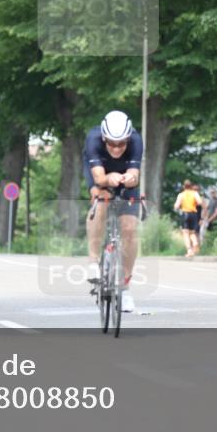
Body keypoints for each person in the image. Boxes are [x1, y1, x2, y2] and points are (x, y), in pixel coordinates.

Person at [83, 110, 143, 313]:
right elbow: (100, 178)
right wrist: (110, 178)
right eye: (111, 144)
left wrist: (129, 179)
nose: (116, 148)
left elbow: (135, 175)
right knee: (102, 199)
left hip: (125, 176)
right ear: (103, 138)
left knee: (130, 228)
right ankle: (93, 260)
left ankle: (125, 289)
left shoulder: (136, 140)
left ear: (128, 139)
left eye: (121, 144)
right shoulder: (93, 139)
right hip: (100, 173)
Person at [173, 180, 201, 257]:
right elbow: (199, 202)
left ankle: (189, 250)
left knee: (185, 233)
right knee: (192, 232)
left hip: (185, 213)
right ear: (191, 186)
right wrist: (194, 204)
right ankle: (195, 243)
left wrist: (179, 206)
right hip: (194, 214)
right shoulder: (195, 193)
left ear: (184, 187)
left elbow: (176, 206)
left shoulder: (181, 195)